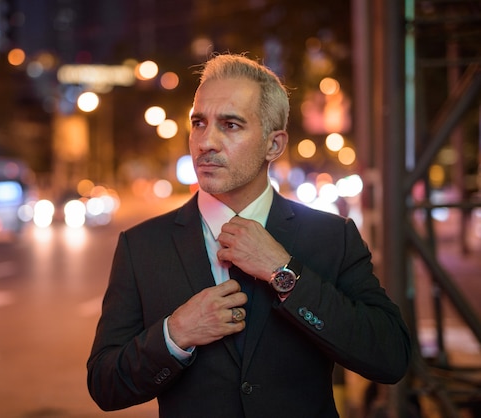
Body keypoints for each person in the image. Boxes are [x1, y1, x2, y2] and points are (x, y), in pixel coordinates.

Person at [87, 53, 411, 418]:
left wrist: (283, 272)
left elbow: (390, 357)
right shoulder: (142, 245)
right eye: (198, 123)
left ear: (274, 145)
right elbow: (105, 384)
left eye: (230, 125)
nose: (205, 142)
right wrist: (175, 334)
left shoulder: (331, 237)